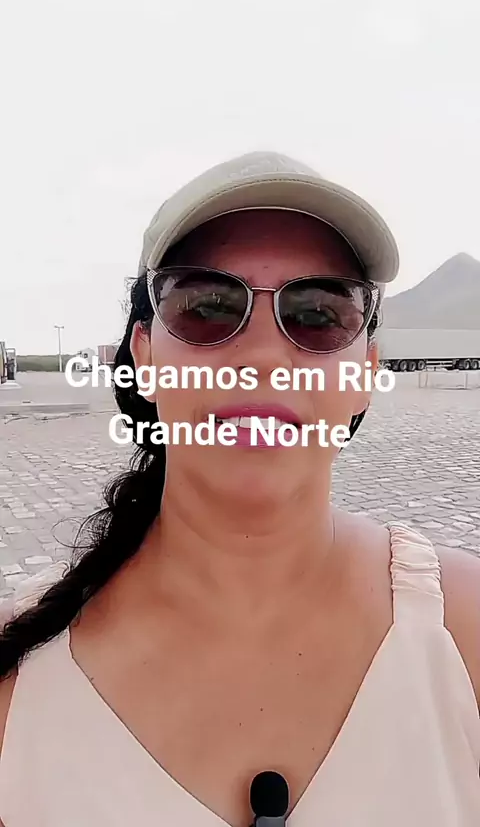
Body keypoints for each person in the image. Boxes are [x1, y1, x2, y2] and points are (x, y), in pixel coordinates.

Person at [0, 151, 479, 826]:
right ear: (144, 357)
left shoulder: (466, 633)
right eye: (207, 307)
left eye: (318, 314)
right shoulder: (16, 677)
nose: (261, 357)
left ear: (367, 372)